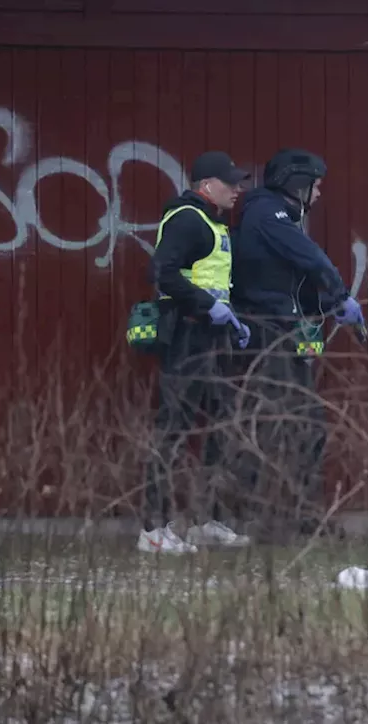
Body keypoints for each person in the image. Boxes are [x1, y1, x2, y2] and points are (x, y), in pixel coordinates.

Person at [229, 147, 364, 537]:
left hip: (282, 327)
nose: (319, 194)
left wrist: (327, 305)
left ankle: (303, 515)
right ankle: (260, 515)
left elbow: (287, 287)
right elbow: (312, 259)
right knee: (280, 424)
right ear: (296, 183)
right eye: (315, 186)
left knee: (305, 424)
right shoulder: (266, 214)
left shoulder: (277, 217)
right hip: (268, 331)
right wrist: (340, 295)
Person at [138, 150, 254, 555]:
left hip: (211, 337)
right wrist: (208, 307)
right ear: (207, 186)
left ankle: (207, 521)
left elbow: (212, 280)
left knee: (222, 427)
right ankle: (153, 530)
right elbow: (162, 272)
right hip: (187, 336)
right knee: (173, 431)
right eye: (231, 182)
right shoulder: (188, 219)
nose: (238, 189)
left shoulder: (212, 222)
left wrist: (231, 320)